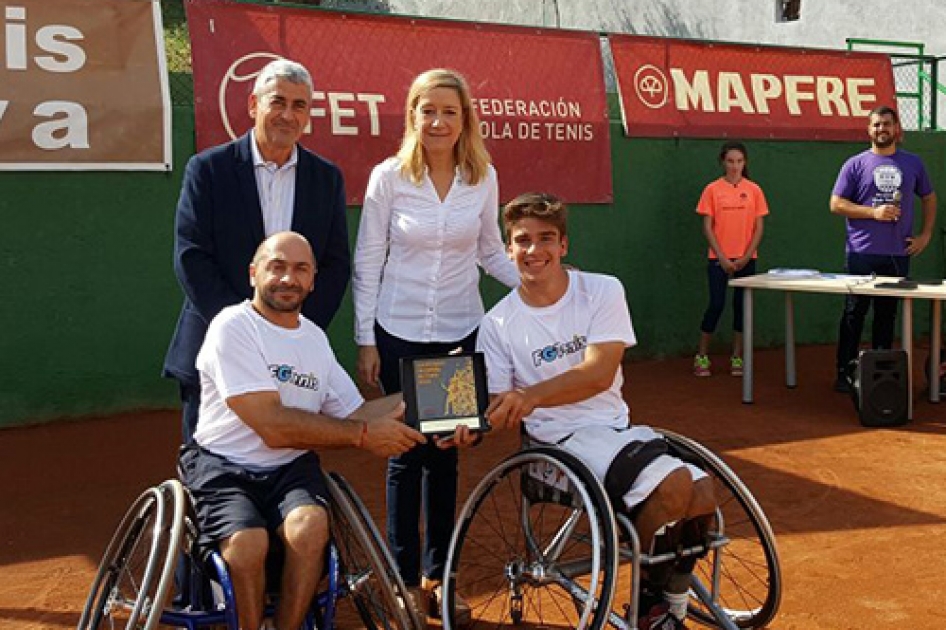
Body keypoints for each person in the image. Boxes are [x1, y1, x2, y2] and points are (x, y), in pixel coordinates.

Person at [463, 192, 716, 630]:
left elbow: (599, 373)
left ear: (564, 245)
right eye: (522, 240)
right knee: (674, 486)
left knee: (704, 495)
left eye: (546, 239)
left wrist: (532, 395)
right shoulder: (497, 324)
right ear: (508, 249)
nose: (533, 251)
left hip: (615, 427)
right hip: (555, 446)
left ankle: (662, 603)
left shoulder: (602, 289)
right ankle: (649, 606)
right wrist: (469, 425)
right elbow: (501, 403)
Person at [179, 231, 426, 630]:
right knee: (247, 545)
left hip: (290, 468)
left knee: (310, 527)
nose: (288, 278)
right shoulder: (233, 327)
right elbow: (272, 426)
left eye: (300, 269)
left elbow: (357, 411)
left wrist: (433, 398)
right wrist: (362, 436)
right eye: (277, 267)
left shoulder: (313, 339)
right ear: (254, 273)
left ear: (312, 281)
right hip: (223, 467)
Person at [351, 68, 519, 622]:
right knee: (405, 455)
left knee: (445, 456)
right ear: (413, 117)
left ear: (465, 118)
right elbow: (368, 259)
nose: (439, 121)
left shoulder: (483, 176)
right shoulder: (389, 177)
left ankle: (438, 576)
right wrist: (365, 339)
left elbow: (492, 252)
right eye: (429, 111)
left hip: (457, 331)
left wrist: (541, 281)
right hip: (398, 332)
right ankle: (399, 578)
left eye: (450, 111)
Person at [164, 58, 351, 443]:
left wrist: (290, 333)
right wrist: (245, 333)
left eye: (299, 105)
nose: (287, 114)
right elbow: (192, 256)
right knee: (209, 476)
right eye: (277, 101)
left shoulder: (325, 178)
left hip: (291, 357)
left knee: (286, 470)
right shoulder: (208, 170)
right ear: (254, 105)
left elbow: (333, 265)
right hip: (215, 346)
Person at [830, 105, 937, 392]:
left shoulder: (913, 163)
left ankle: (880, 375)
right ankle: (845, 372)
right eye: (876, 125)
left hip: (897, 256)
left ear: (896, 128)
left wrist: (925, 235)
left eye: (886, 124)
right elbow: (836, 204)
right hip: (860, 254)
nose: (881, 129)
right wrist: (873, 213)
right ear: (869, 129)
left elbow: (929, 197)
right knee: (854, 313)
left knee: (887, 315)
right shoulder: (854, 164)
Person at [693, 141, 768, 378]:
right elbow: (707, 227)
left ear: (745, 163)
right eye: (730, 161)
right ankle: (702, 355)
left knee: (741, 308)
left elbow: (759, 228)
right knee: (716, 305)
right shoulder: (712, 190)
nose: (735, 166)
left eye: (739, 161)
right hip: (719, 259)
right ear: (723, 162)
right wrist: (722, 257)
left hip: (746, 259)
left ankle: (737, 356)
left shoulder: (754, 190)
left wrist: (746, 256)